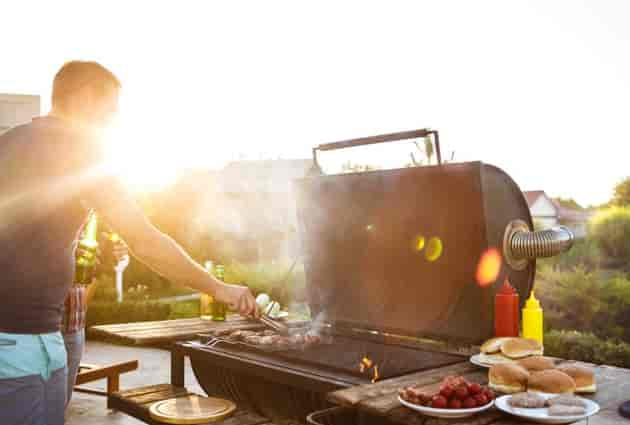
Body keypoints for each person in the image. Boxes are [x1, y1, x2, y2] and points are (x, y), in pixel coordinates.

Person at [0, 60, 258, 425]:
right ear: (87, 98)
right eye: (111, 109)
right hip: (17, 344)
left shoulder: (8, 142)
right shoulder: (79, 153)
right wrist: (218, 288)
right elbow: (145, 240)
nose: (113, 119)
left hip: (43, 336)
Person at [62, 232, 129, 406]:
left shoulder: (87, 231)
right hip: (41, 329)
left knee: (59, 406)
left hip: (74, 328)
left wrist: (101, 268)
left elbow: (82, 299)